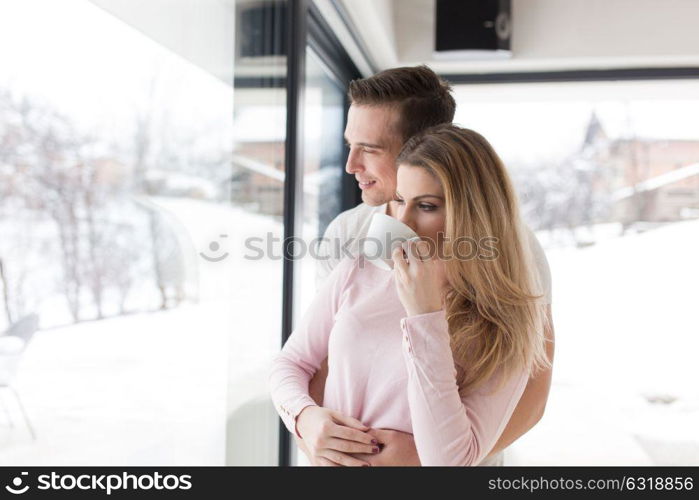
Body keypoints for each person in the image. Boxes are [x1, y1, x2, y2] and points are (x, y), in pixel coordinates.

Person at [293, 65, 554, 466]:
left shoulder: (510, 249)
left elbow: (532, 392)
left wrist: (425, 456)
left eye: (370, 148)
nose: (351, 165)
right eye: (350, 144)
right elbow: (321, 360)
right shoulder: (349, 233)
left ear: (424, 146)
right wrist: (311, 427)